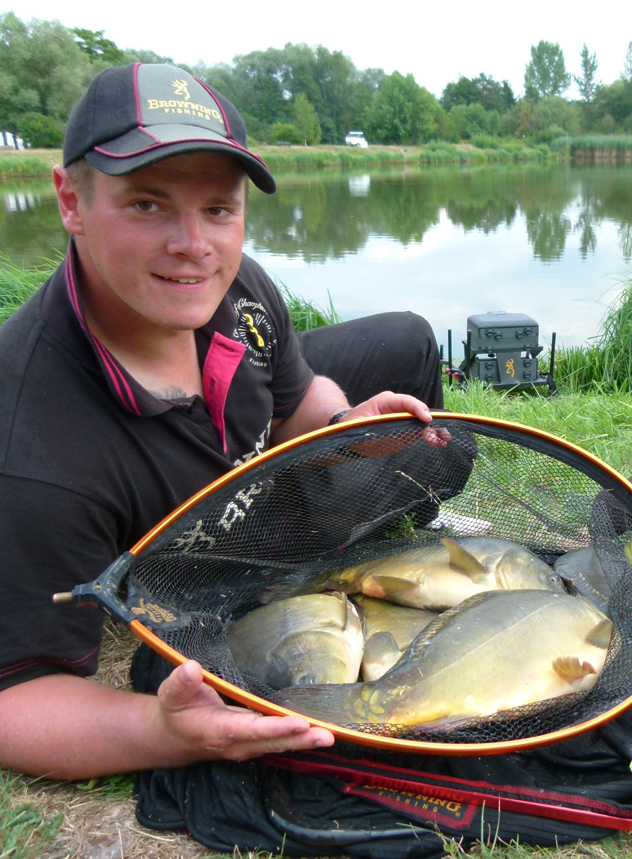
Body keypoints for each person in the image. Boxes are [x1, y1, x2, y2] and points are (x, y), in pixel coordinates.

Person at [0, 64, 443, 779]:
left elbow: (295, 394)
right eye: (147, 205)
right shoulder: (33, 449)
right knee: (418, 466)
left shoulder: (234, 283)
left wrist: (340, 424)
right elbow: (14, 700)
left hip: (248, 461)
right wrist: (162, 729)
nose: (193, 245)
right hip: (203, 545)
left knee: (408, 345)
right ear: (69, 201)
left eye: (218, 208)